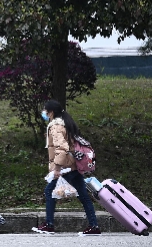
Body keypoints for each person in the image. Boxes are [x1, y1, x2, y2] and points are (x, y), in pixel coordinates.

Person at [32, 99, 101, 236]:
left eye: (45, 110)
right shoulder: (65, 123)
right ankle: (94, 226)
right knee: (83, 196)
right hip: (73, 165)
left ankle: (49, 225)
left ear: (51, 112)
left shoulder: (55, 126)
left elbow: (62, 148)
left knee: (49, 191)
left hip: (65, 167)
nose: (44, 113)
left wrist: (57, 168)